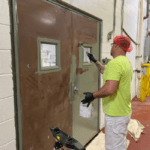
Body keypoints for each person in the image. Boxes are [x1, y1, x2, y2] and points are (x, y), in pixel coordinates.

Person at [81, 35, 133, 150]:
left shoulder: (115, 64)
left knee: (113, 147)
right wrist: (95, 61)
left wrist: (92, 96)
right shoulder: (125, 62)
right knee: (119, 143)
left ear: (115, 45)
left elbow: (109, 89)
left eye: (112, 45)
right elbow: (106, 71)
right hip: (122, 111)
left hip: (116, 115)